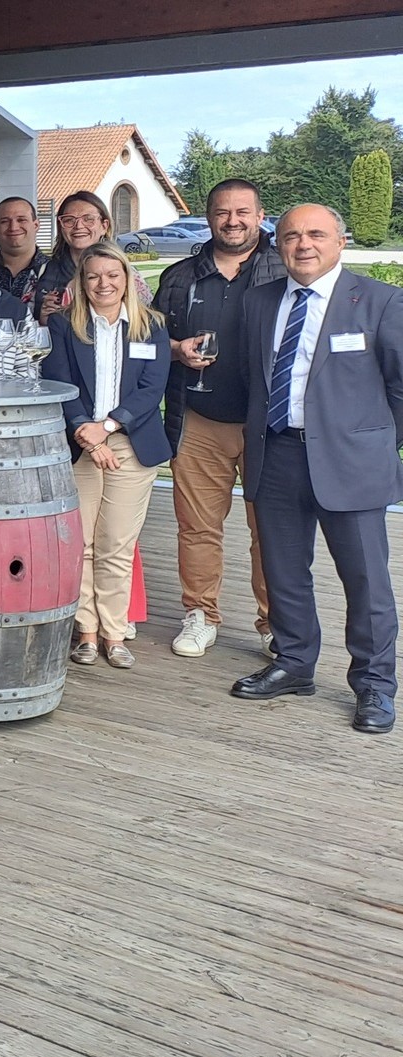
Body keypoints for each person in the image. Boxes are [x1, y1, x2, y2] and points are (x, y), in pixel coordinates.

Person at [231, 204, 403, 734]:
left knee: (366, 580)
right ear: (277, 244)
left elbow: (399, 384)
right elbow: (249, 378)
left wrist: (377, 444)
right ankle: (294, 663)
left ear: (340, 241)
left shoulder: (379, 301)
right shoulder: (259, 302)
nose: (303, 245)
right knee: (283, 570)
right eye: (291, 236)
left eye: (316, 234)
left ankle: (375, 686)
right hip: (278, 453)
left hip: (350, 463)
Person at [152, 178, 283, 659]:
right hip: (199, 417)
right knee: (198, 527)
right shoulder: (181, 276)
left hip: (268, 424)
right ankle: (200, 615)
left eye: (242, 212)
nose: (233, 221)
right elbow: (147, 341)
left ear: (260, 213)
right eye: (223, 212)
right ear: (209, 218)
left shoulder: (284, 271)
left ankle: (275, 624)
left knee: (269, 527)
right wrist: (174, 350)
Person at [40, 240, 171, 671]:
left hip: (131, 443)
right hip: (80, 445)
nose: (103, 283)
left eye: (113, 275)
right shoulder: (64, 325)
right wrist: (88, 435)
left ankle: (115, 634)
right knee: (81, 542)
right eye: (93, 276)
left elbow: (152, 389)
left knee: (117, 543)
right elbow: (57, 382)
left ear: (128, 279)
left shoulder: (150, 325)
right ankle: (87, 632)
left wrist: (108, 427)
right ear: (81, 281)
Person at [35, 190, 149, 323]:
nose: (78, 226)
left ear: (104, 226)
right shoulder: (42, 272)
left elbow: (145, 322)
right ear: (61, 227)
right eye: (69, 220)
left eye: (88, 219)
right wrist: (44, 319)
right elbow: (28, 328)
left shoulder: (127, 274)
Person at [0, 196, 49, 306]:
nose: (13, 227)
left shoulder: (55, 270)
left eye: (21, 220)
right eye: (4, 221)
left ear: (36, 225)